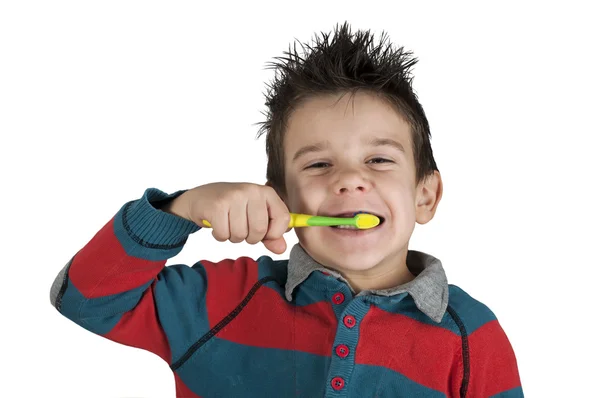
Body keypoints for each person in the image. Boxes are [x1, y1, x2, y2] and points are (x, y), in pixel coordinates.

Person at [50, 22, 523, 397]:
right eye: (318, 164)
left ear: (426, 196)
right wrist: (183, 207)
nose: (348, 180)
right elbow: (83, 299)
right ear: (281, 201)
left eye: (379, 160)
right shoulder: (224, 300)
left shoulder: (472, 334)